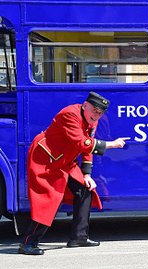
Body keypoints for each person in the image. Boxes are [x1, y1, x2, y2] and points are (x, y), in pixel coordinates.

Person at [18, 92, 129, 255]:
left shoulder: (92, 120)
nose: (97, 115)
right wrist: (112, 144)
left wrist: (86, 174)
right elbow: (82, 142)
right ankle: (28, 243)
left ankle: (79, 237)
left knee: (85, 189)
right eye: (94, 110)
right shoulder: (69, 114)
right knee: (49, 201)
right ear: (85, 106)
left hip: (65, 160)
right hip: (46, 159)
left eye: (100, 112)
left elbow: (87, 148)